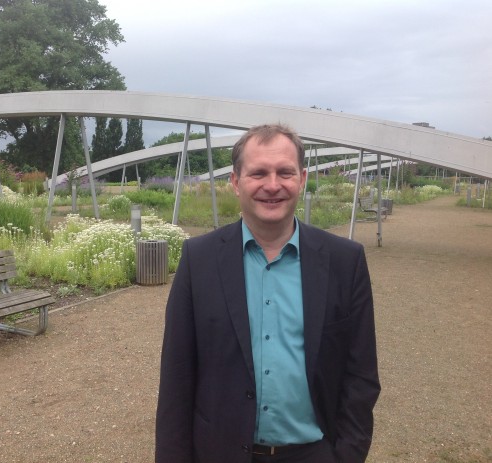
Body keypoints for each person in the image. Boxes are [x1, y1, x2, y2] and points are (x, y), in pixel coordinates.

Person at [155, 124, 380, 463]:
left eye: (285, 173)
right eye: (258, 173)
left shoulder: (344, 262)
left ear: (302, 178)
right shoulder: (198, 261)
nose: (272, 185)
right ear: (235, 182)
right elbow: (177, 378)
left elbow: (361, 377)